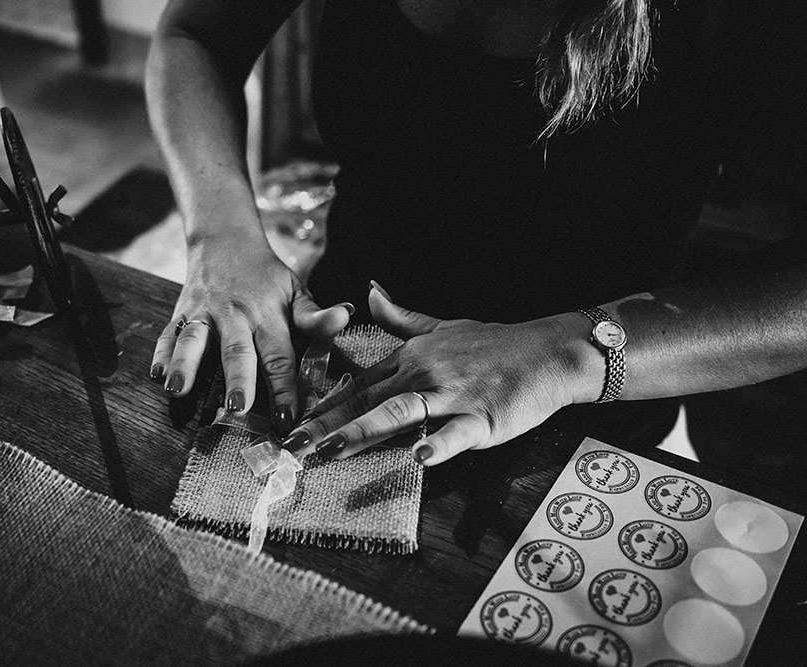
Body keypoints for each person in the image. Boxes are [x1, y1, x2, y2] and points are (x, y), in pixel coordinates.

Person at [144, 1, 806, 469]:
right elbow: (197, 35)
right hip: (338, 377)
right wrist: (221, 235)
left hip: (597, 428)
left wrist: (567, 354)